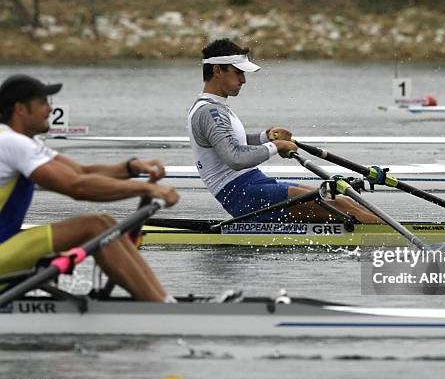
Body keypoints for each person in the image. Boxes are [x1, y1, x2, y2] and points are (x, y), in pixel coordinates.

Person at [0, 74, 180, 302]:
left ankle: (163, 300)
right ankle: (160, 308)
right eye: (43, 103)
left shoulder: (25, 142)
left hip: (5, 244)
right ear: (20, 109)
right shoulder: (11, 143)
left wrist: (131, 167)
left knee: (105, 223)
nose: (49, 109)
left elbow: (81, 172)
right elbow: (77, 187)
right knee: (96, 225)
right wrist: (146, 190)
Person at [186, 38, 380, 223]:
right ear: (218, 70)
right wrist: (275, 145)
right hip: (243, 196)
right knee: (342, 206)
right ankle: (393, 239)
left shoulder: (215, 108)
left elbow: (232, 142)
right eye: (238, 73)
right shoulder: (210, 112)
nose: (244, 80)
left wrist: (266, 137)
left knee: (341, 200)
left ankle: (378, 228)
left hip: (254, 185)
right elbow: (235, 158)